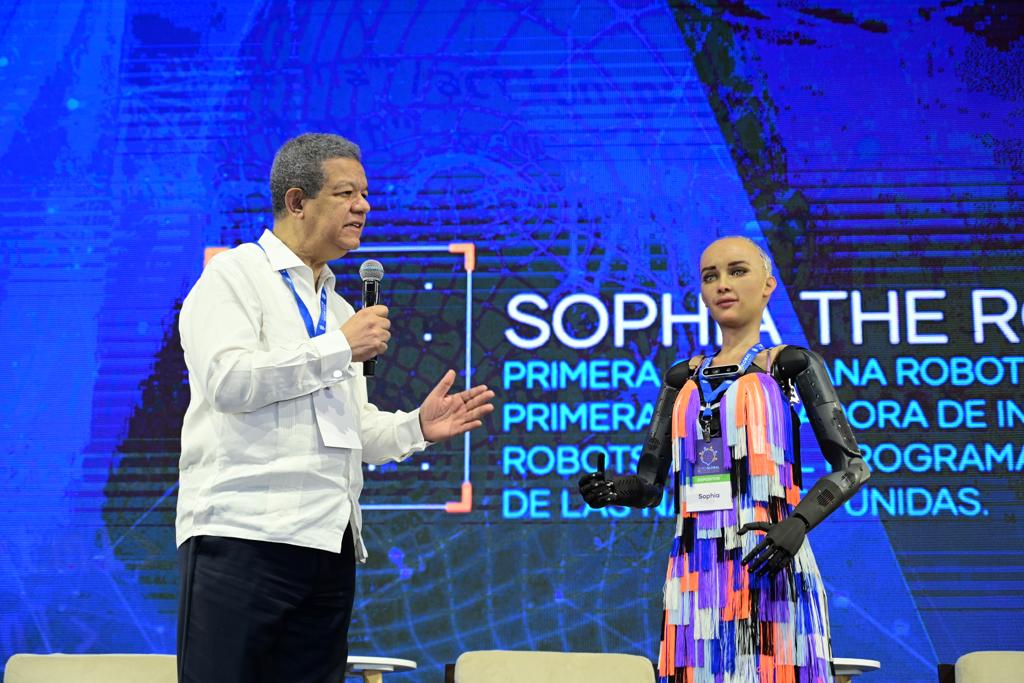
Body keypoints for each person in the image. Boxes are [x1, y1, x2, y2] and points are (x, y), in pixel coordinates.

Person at [176, 133, 495, 683]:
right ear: (297, 201)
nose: (363, 207)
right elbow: (228, 382)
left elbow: (352, 430)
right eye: (346, 194)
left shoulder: (341, 306)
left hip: (328, 545)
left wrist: (417, 427)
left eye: (365, 194)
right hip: (243, 539)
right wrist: (339, 347)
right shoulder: (234, 277)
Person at [579, 236, 869, 682]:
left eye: (737, 271)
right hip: (695, 569)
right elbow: (651, 484)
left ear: (768, 285)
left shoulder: (790, 365)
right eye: (710, 276)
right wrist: (614, 490)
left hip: (769, 556)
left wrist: (798, 523)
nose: (722, 284)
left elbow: (853, 466)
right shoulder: (681, 377)